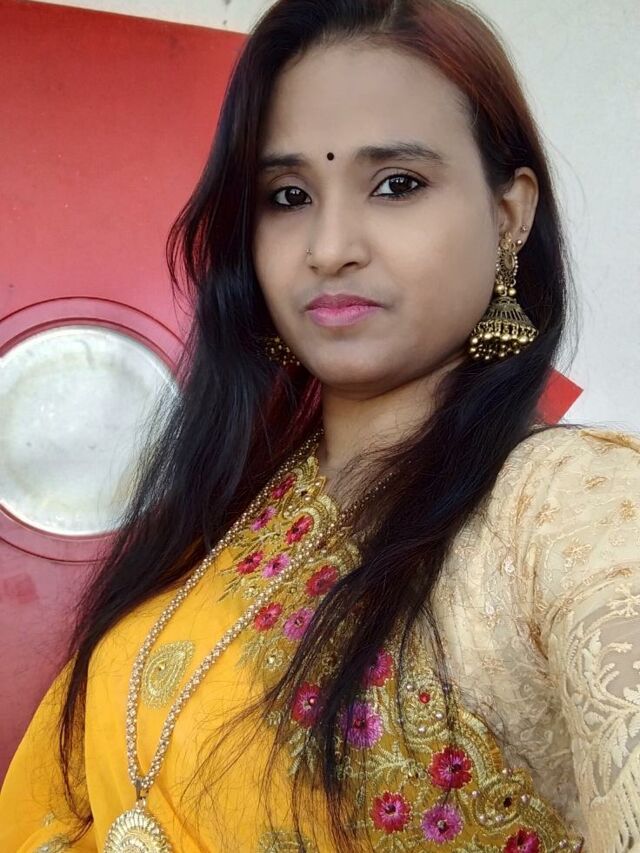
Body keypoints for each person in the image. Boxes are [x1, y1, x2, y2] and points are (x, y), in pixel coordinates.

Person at [1, 0, 638, 850]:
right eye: (289, 196)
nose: (330, 246)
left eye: (397, 183)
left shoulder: (569, 507)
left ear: (509, 212)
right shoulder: (233, 493)